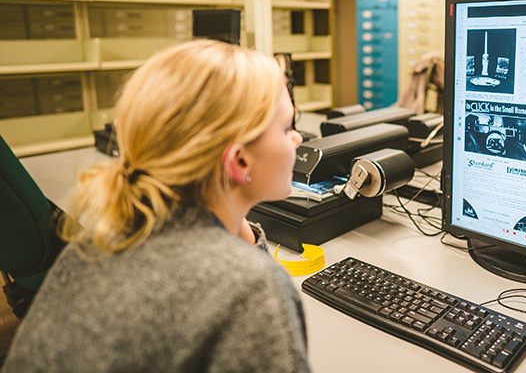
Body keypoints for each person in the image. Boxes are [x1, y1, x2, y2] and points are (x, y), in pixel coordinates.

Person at [1, 40, 308, 372]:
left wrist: (236, 215)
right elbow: (237, 283)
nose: (298, 139)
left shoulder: (92, 247)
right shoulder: (252, 289)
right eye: (287, 127)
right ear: (240, 161)